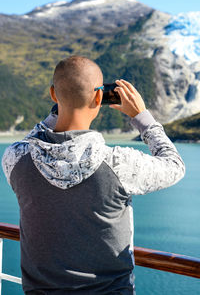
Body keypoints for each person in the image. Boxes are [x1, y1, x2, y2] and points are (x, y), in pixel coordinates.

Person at [2, 55, 185, 295]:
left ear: (53, 94)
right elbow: (174, 165)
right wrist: (142, 118)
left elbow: (32, 140)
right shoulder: (119, 163)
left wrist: (61, 107)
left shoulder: (15, 159)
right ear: (99, 97)